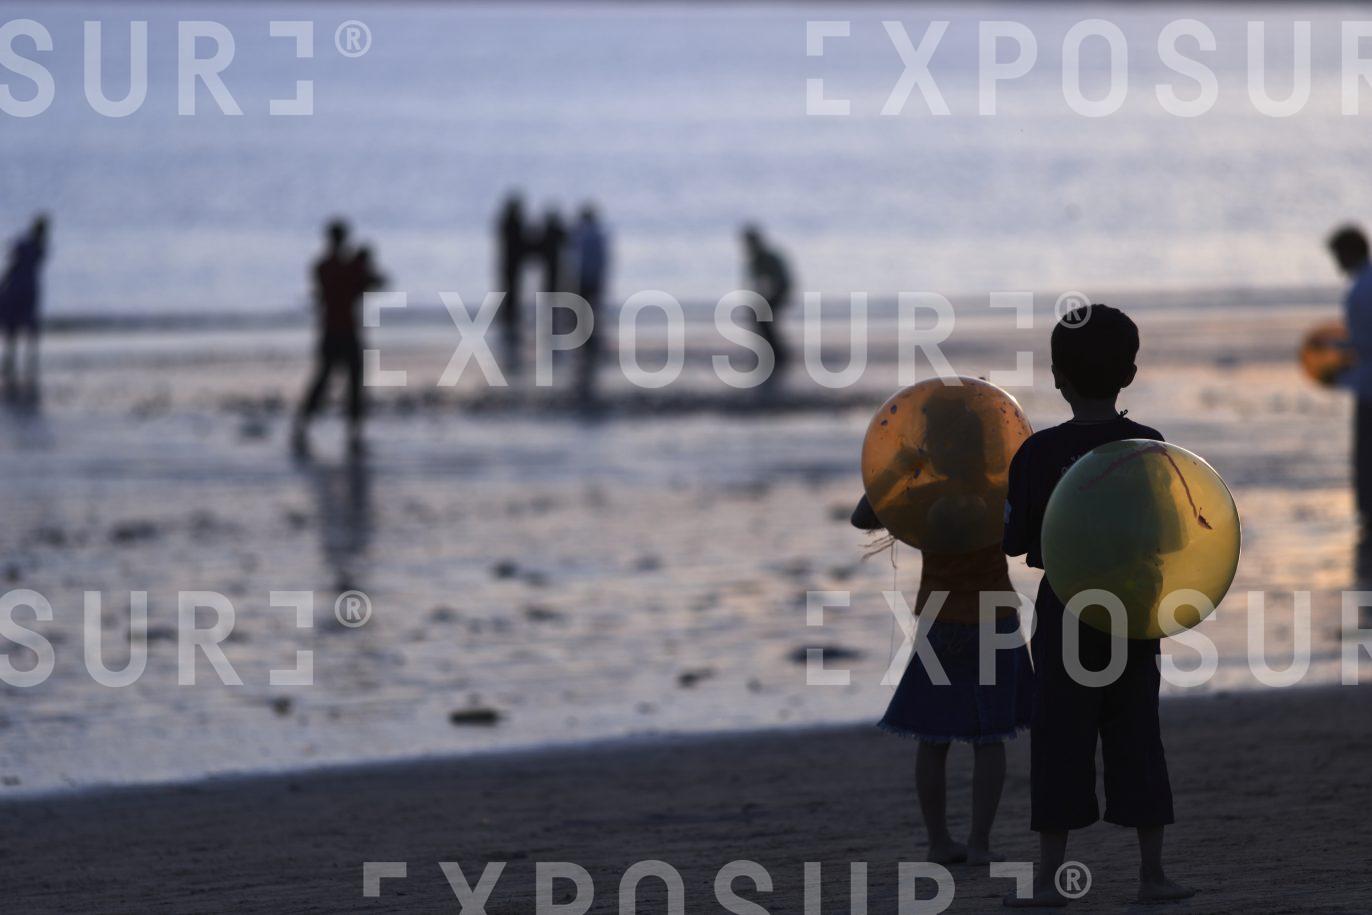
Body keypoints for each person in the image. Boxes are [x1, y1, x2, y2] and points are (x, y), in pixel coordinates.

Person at [1002, 305, 1194, 906]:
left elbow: (1015, 542)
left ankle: (1052, 879)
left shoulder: (1035, 455)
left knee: (1059, 737)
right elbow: (1174, 536)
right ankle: (1152, 875)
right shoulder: (1149, 448)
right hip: (1134, 614)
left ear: (1057, 375)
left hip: (1065, 616)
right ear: (1129, 374)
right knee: (1138, 734)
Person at [851, 397, 1033, 866]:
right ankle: (980, 844)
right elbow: (1023, 539)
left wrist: (901, 468)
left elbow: (863, 517)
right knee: (989, 738)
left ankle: (937, 842)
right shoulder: (1001, 489)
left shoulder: (924, 494)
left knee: (933, 738)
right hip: (996, 619)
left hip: (941, 625)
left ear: (934, 450)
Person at [293, 220, 384, 456]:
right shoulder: (342, 268)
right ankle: (352, 432)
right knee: (350, 383)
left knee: (324, 381)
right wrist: (364, 263)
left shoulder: (323, 266)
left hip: (331, 332)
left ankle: (304, 425)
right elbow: (375, 282)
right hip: (346, 332)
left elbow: (370, 283)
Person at [1328, 225, 1372, 525]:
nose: (1336, 262)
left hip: (1368, 387)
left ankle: (1367, 511)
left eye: (1337, 255)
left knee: (1366, 454)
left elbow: (1363, 345)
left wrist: (1334, 364)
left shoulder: (1359, 290)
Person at [0, 215, 49, 388]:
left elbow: (12, 263)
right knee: (26, 326)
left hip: (18, 288)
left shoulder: (27, 244)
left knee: (14, 326)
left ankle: (14, 360)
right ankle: (27, 360)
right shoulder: (38, 247)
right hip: (26, 289)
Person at [741, 225, 792, 382]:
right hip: (770, 292)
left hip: (781, 289)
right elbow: (756, 284)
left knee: (766, 321)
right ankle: (770, 352)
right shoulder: (755, 260)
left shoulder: (767, 257)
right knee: (762, 320)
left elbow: (779, 281)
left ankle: (776, 353)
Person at [569, 204, 609, 398]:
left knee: (584, 308)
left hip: (584, 277)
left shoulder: (583, 233)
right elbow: (604, 258)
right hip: (595, 277)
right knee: (593, 308)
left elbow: (575, 253)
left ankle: (586, 337)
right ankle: (592, 336)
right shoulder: (599, 234)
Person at [495, 194, 528, 372]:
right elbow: (521, 243)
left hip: (509, 263)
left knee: (509, 293)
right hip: (512, 264)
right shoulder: (512, 222)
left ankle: (508, 322)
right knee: (511, 294)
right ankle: (509, 322)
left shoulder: (506, 222)